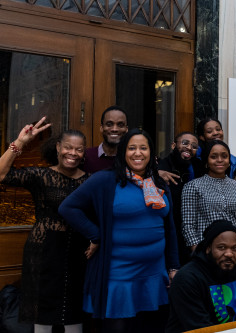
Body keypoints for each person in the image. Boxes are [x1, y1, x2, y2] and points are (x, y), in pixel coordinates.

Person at [59, 129, 179, 332]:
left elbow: (170, 229)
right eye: (132, 148)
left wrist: (174, 267)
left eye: (143, 148)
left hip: (153, 271)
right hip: (120, 273)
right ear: (123, 151)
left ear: (151, 152)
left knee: (150, 327)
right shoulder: (105, 180)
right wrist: (96, 235)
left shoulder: (158, 183)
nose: (138, 153)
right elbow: (68, 208)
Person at [0, 117, 89, 333]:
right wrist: (20, 142)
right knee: (42, 315)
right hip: (42, 253)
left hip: (78, 254)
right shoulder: (41, 175)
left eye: (79, 149)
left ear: (84, 153)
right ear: (58, 147)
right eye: (68, 147)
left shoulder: (91, 181)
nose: (73, 153)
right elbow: (1, 174)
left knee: (73, 313)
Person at [166, 220, 236, 332]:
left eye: (234, 248)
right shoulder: (186, 278)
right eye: (222, 247)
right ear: (208, 248)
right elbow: (200, 328)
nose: (229, 254)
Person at [182, 140, 236, 254]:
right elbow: (188, 226)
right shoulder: (193, 187)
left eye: (224, 156)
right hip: (206, 253)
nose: (220, 160)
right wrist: (198, 256)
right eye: (214, 156)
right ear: (206, 161)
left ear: (229, 161)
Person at [158, 132, 204, 265]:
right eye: (185, 143)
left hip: (190, 232)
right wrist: (156, 173)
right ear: (173, 145)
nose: (189, 147)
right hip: (168, 230)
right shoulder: (161, 167)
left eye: (194, 146)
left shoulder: (198, 168)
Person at [82, 105, 128, 173]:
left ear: (126, 129)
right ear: (101, 128)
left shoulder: (131, 158)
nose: (114, 129)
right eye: (109, 124)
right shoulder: (86, 156)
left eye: (120, 125)